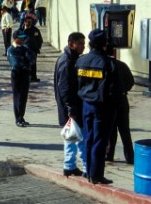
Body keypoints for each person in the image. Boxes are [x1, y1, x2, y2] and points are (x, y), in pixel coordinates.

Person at [75, 28, 117, 185]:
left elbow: (77, 84)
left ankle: (88, 171)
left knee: (88, 139)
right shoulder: (108, 63)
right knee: (99, 141)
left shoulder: (81, 61)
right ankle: (96, 174)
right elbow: (115, 89)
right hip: (102, 106)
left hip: (86, 104)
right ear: (105, 44)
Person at [54, 32, 87, 177]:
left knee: (71, 136)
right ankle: (88, 168)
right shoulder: (68, 61)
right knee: (80, 137)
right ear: (70, 44)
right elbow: (65, 88)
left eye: (83, 43)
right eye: (79, 43)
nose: (83, 46)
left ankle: (69, 165)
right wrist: (71, 108)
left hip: (69, 106)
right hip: (71, 107)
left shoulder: (70, 59)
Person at [105, 44, 135, 165]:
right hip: (122, 100)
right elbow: (131, 81)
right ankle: (129, 156)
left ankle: (109, 154)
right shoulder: (122, 65)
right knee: (125, 130)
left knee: (111, 130)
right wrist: (124, 90)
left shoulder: (104, 66)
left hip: (109, 101)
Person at [7, 31, 36, 127]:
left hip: (25, 74)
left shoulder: (25, 48)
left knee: (24, 97)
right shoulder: (11, 49)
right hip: (17, 75)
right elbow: (16, 64)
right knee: (18, 96)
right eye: (20, 38)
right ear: (15, 38)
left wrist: (26, 60)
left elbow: (33, 58)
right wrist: (26, 60)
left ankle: (22, 117)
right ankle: (18, 118)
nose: (22, 39)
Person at [16, 13, 43, 82]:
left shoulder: (35, 30)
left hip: (33, 50)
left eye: (30, 22)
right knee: (24, 64)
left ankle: (33, 77)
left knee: (33, 64)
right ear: (24, 22)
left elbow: (40, 40)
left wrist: (38, 47)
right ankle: (25, 77)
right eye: (27, 22)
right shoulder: (20, 30)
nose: (29, 23)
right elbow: (15, 39)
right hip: (23, 50)